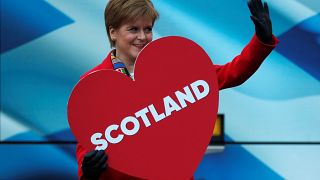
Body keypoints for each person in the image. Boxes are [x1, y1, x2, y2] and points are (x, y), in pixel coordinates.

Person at [76, 0, 279, 179]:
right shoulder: (93, 83)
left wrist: (260, 41)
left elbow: (230, 73)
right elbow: (87, 145)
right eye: (133, 29)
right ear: (113, 32)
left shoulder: (170, 69)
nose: (142, 36)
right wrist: (88, 169)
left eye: (147, 29)